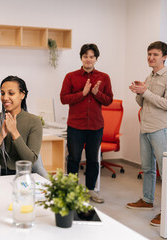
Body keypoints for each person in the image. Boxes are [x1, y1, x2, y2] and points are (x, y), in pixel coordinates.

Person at [127, 41, 167, 226]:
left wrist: (146, 92)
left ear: (164, 56)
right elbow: (143, 103)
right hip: (145, 128)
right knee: (148, 168)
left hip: (161, 129)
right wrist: (139, 92)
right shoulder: (149, 77)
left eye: (155, 54)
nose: (151, 57)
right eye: (149, 54)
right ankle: (147, 200)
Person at [60, 43, 113, 203]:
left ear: (96, 58)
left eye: (91, 57)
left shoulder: (104, 77)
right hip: (75, 125)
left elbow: (109, 100)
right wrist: (82, 93)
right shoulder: (71, 76)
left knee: (93, 160)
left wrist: (97, 94)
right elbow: (63, 98)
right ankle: (72, 189)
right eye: (85, 56)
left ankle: (91, 190)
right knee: (74, 158)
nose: (88, 60)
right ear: (81, 58)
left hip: (96, 126)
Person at [0, 76, 43, 175]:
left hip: (23, 176)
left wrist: (14, 132)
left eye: (11, 93)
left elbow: (31, 161)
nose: (5, 98)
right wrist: (0, 137)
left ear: (22, 95)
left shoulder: (34, 121)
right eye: (2, 93)